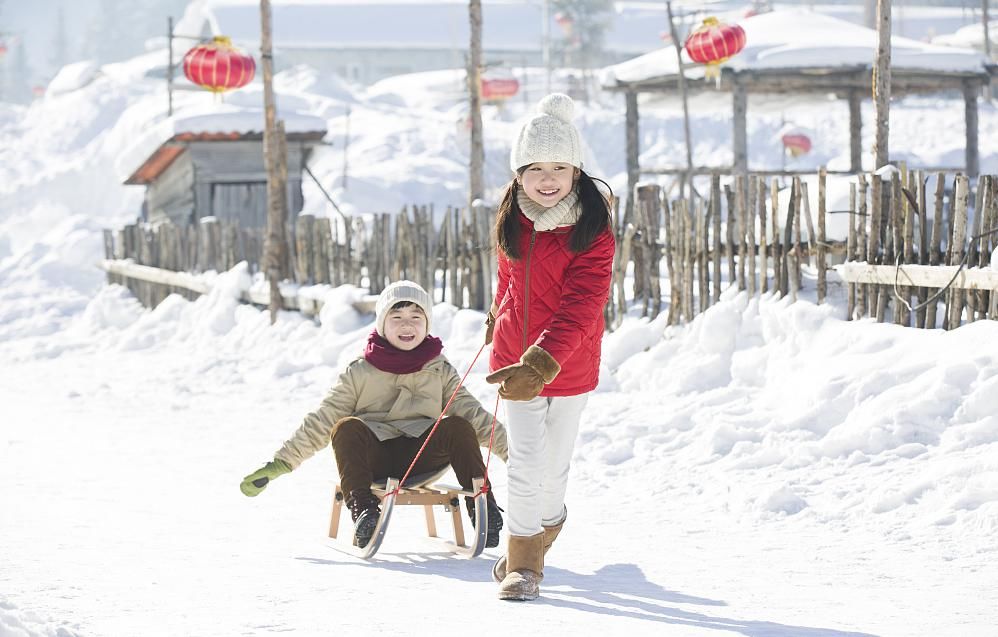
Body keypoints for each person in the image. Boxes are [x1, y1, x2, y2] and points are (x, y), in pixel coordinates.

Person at [240, 280, 508, 549]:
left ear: (427, 324)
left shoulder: (439, 369)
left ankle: (483, 505)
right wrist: (281, 463)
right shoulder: (360, 371)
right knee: (345, 428)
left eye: (416, 317)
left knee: (459, 426)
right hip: (373, 462)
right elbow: (324, 418)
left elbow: (476, 416)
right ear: (381, 323)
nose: (407, 325)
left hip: (422, 458)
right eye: (397, 317)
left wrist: (516, 455)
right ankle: (364, 511)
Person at [484, 93, 615, 601]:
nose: (547, 177)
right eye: (535, 167)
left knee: (553, 465)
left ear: (576, 171)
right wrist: (497, 317)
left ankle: (547, 523)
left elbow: (583, 304)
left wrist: (540, 361)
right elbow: (508, 278)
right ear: (518, 173)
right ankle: (523, 565)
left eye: (559, 166)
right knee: (523, 461)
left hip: (568, 363)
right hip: (512, 365)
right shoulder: (511, 218)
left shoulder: (592, 228)